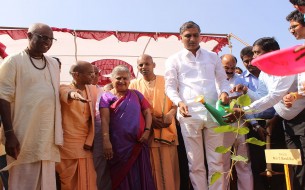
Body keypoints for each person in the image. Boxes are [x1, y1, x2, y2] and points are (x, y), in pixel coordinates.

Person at [164, 21, 231, 190]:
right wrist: (179, 102)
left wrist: (224, 92)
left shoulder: (212, 56)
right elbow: (170, 86)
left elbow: (223, 80)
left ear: (200, 36)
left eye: (195, 35)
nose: (192, 39)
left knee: (217, 160)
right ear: (181, 38)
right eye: (188, 36)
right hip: (189, 115)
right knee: (195, 163)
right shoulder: (173, 59)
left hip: (213, 113)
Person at [226, 37, 296, 190]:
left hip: (299, 119)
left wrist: (244, 110)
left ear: (271, 53)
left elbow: (274, 97)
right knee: (289, 164)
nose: (254, 58)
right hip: (287, 122)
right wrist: (246, 91)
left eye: (257, 53)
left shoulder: (286, 67)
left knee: (296, 165)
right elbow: (263, 98)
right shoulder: (264, 73)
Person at [0, 23, 62, 190]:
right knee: (22, 181)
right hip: (23, 135)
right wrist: (9, 134)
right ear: (28, 36)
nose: (47, 42)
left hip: (47, 136)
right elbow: (3, 98)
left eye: (51, 39)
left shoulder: (53, 64)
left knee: (47, 182)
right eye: (43, 37)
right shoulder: (13, 61)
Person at [100, 65, 155, 190]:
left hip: (138, 143)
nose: (122, 81)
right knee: (120, 176)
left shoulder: (136, 95)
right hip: (118, 146)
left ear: (130, 80)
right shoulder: (106, 97)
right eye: (118, 78)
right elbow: (104, 119)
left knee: (141, 174)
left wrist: (147, 131)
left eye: (125, 78)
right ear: (112, 80)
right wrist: (106, 141)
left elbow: (147, 113)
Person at [129, 54, 180, 190]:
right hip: (147, 133)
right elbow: (132, 107)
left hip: (167, 129)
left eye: (147, 64)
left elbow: (177, 101)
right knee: (151, 170)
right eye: (140, 65)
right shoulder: (133, 84)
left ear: (154, 65)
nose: (144, 67)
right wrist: (150, 121)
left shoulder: (167, 81)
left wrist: (171, 114)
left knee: (170, 168)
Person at [56, 61, 97, 189]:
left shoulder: (93, 91)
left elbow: (94, 120)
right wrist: (74, 95)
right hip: (68, 145)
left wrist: (90, 140)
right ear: (76, 75)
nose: (93, 76)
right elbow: (67, 94)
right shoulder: (63, 88)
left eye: (93, 73)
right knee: (69, 183)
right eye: (90, 73)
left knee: (88, 179)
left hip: (86, 145)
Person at [220, 54, 253, 190]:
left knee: (243, 163)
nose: (229, 70)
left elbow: (251, 100)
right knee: (222, 164)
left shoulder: (242, 80)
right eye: (226, 67)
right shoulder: (215, 80)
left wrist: (243, 91)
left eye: (232, 68)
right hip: (222, 126)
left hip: (240, 125)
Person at [91, 65, 112, 190]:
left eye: (96, 73)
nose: (93, 76)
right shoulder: (75, 90)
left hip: (100, 133)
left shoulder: (104, 93)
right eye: (90, 73)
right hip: (81, 135)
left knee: (101, 165)